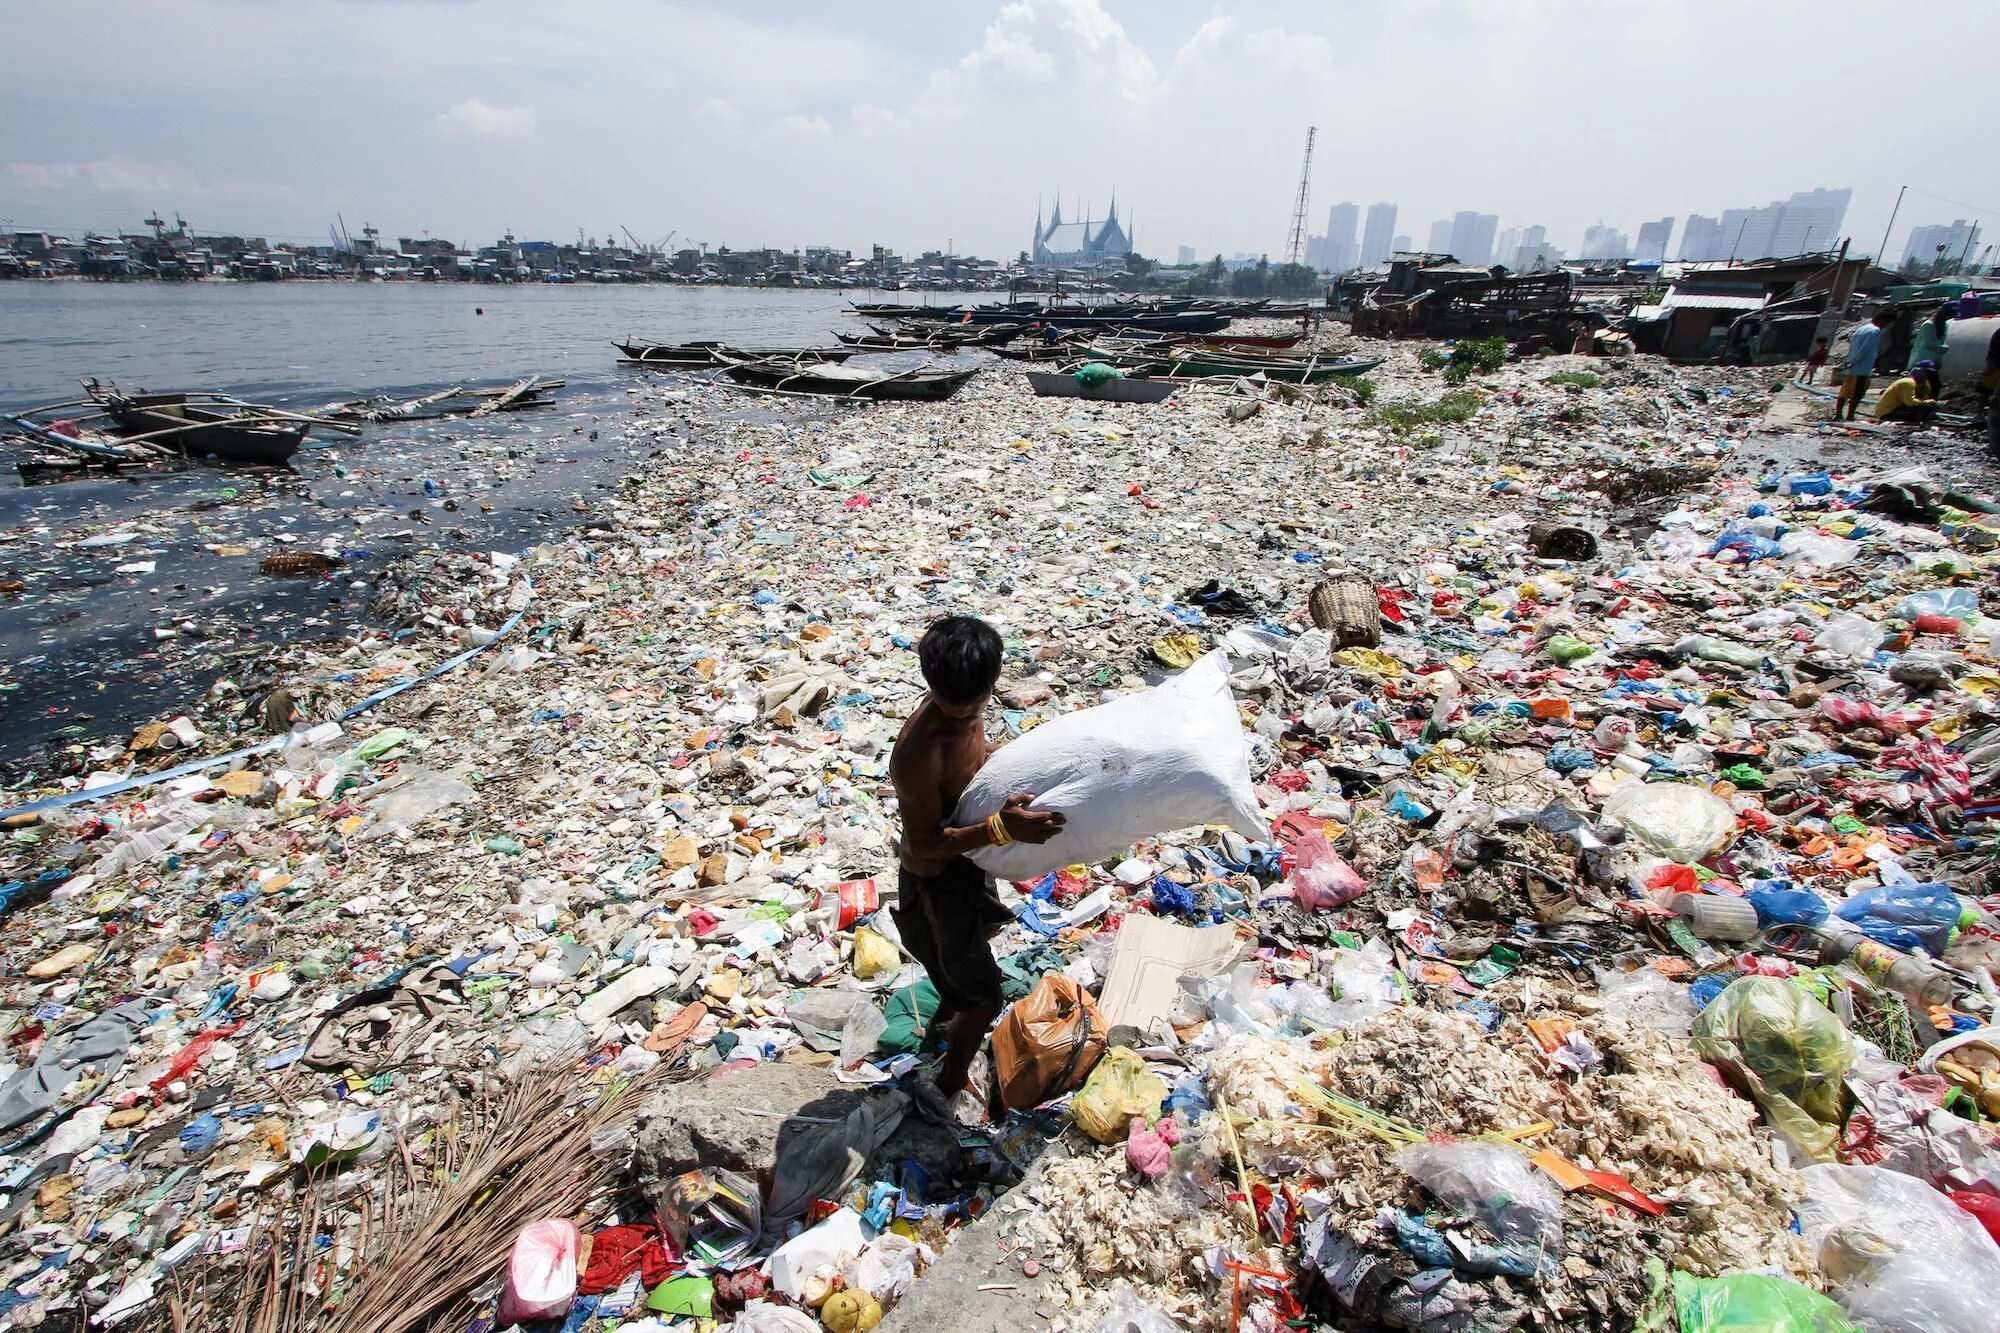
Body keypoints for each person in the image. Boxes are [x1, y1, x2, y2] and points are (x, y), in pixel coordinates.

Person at [889, 615, 1063, 1100]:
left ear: (993, 680)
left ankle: (948, 1010)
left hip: (971, 858)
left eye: (976, 704)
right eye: (953, 705)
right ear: (930, 684)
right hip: (935, 880)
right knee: (986, 997)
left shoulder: (970, 705)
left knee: (981, 936)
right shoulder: (918, 752)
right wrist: (1003, 828)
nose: (966, 714)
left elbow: (976, 751)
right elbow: (923, 844)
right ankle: (947, 1084)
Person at [1836, 308, 1892, 421]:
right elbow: (1864, 349)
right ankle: (1850, 415)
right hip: (1861, 368)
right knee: (1857, 394)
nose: (1887, 325)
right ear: (1883, 320)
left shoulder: (1862, 329)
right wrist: (1854, 362)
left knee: (1845, 392)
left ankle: (1838, 414)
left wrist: (1850, 362)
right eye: (1888, 322)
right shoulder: (1875, 331)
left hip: (1852, 367)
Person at [1872, 361, 1939, 423]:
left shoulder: (1923, 383)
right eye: (1926, 373)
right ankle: (1913, 421)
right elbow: (1910, 402)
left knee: (1929, 405)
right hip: (1887, 412)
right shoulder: (1908, 382)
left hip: (1899, 408)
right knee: (1924, 405)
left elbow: (1925, 396)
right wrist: (1925, 402)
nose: (1927, 376)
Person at [1909, 306, 1950, 372]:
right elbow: (1927, 344)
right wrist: (1942, 348)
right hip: (1921, 360)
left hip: (1934, 361)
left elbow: (1942, 341)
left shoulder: (1944, 326)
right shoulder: (1928, 325)